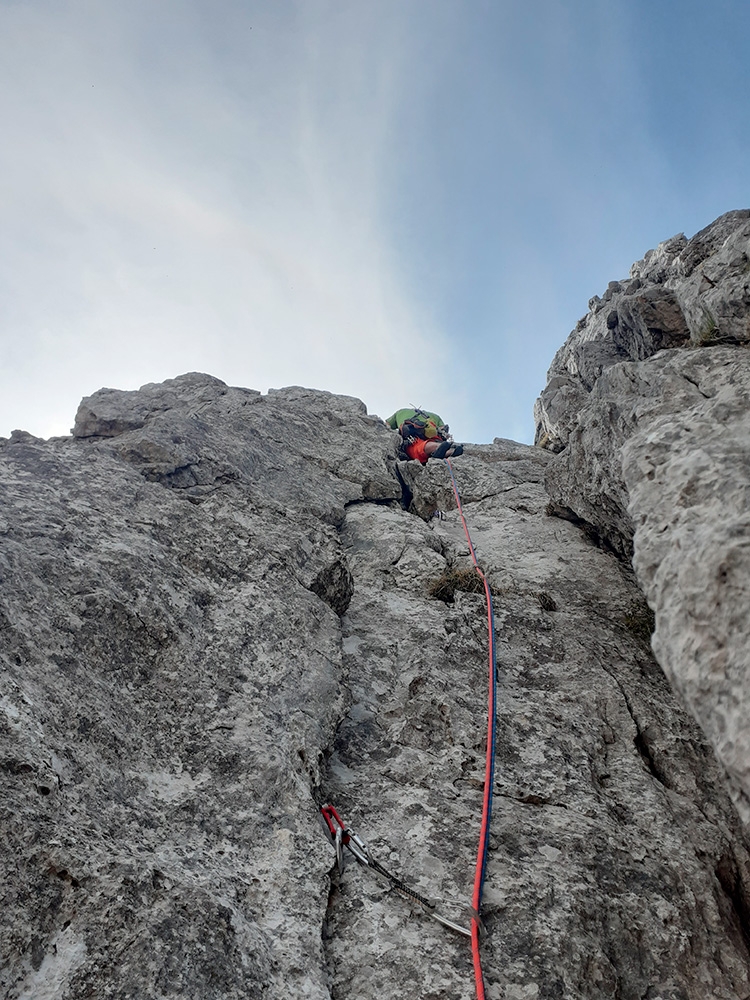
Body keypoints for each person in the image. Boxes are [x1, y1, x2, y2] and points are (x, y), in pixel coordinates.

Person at [385, 407, 464, 464]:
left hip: (412, 433)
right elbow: (443, 430)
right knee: (435, 440)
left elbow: (386, 426)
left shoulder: (401, 412)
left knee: (418, 447)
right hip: (433, 432)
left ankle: (436, 448)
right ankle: (448, 451)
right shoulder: (434, 416)